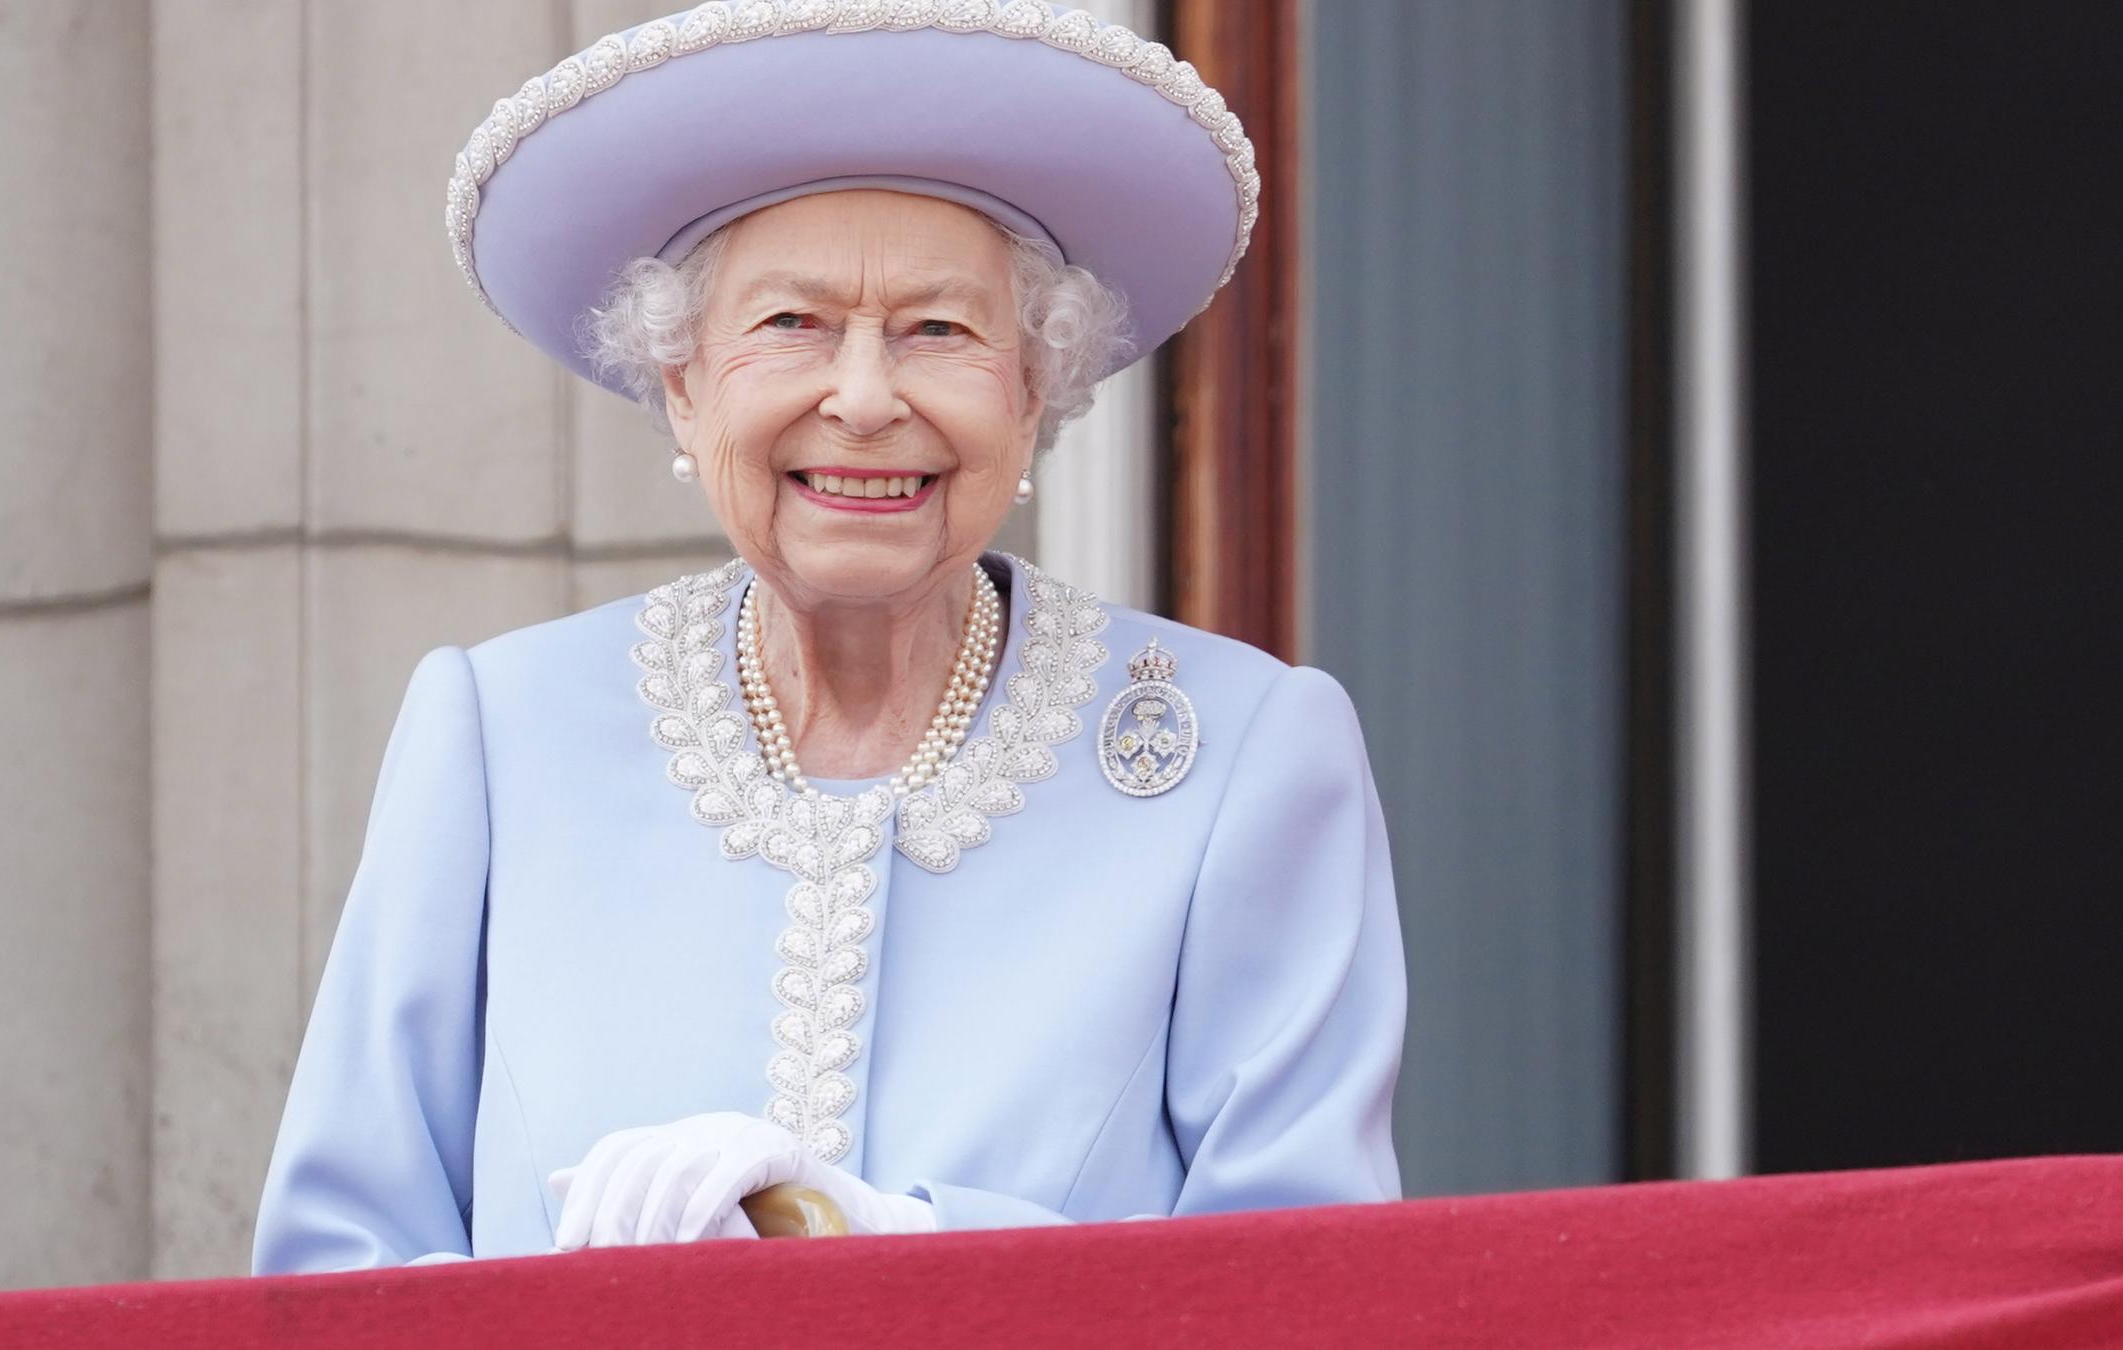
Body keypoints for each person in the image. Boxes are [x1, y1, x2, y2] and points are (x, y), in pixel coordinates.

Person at [252, 0, 1405, 1272]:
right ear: (684, 386)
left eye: (940, 332)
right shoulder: (498, 736)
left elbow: (1311, 1287)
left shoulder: (1242, 759)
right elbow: (334, 1272)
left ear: (1033, 399)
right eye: (791, 324)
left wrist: (905, 1247)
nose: (862, 398)